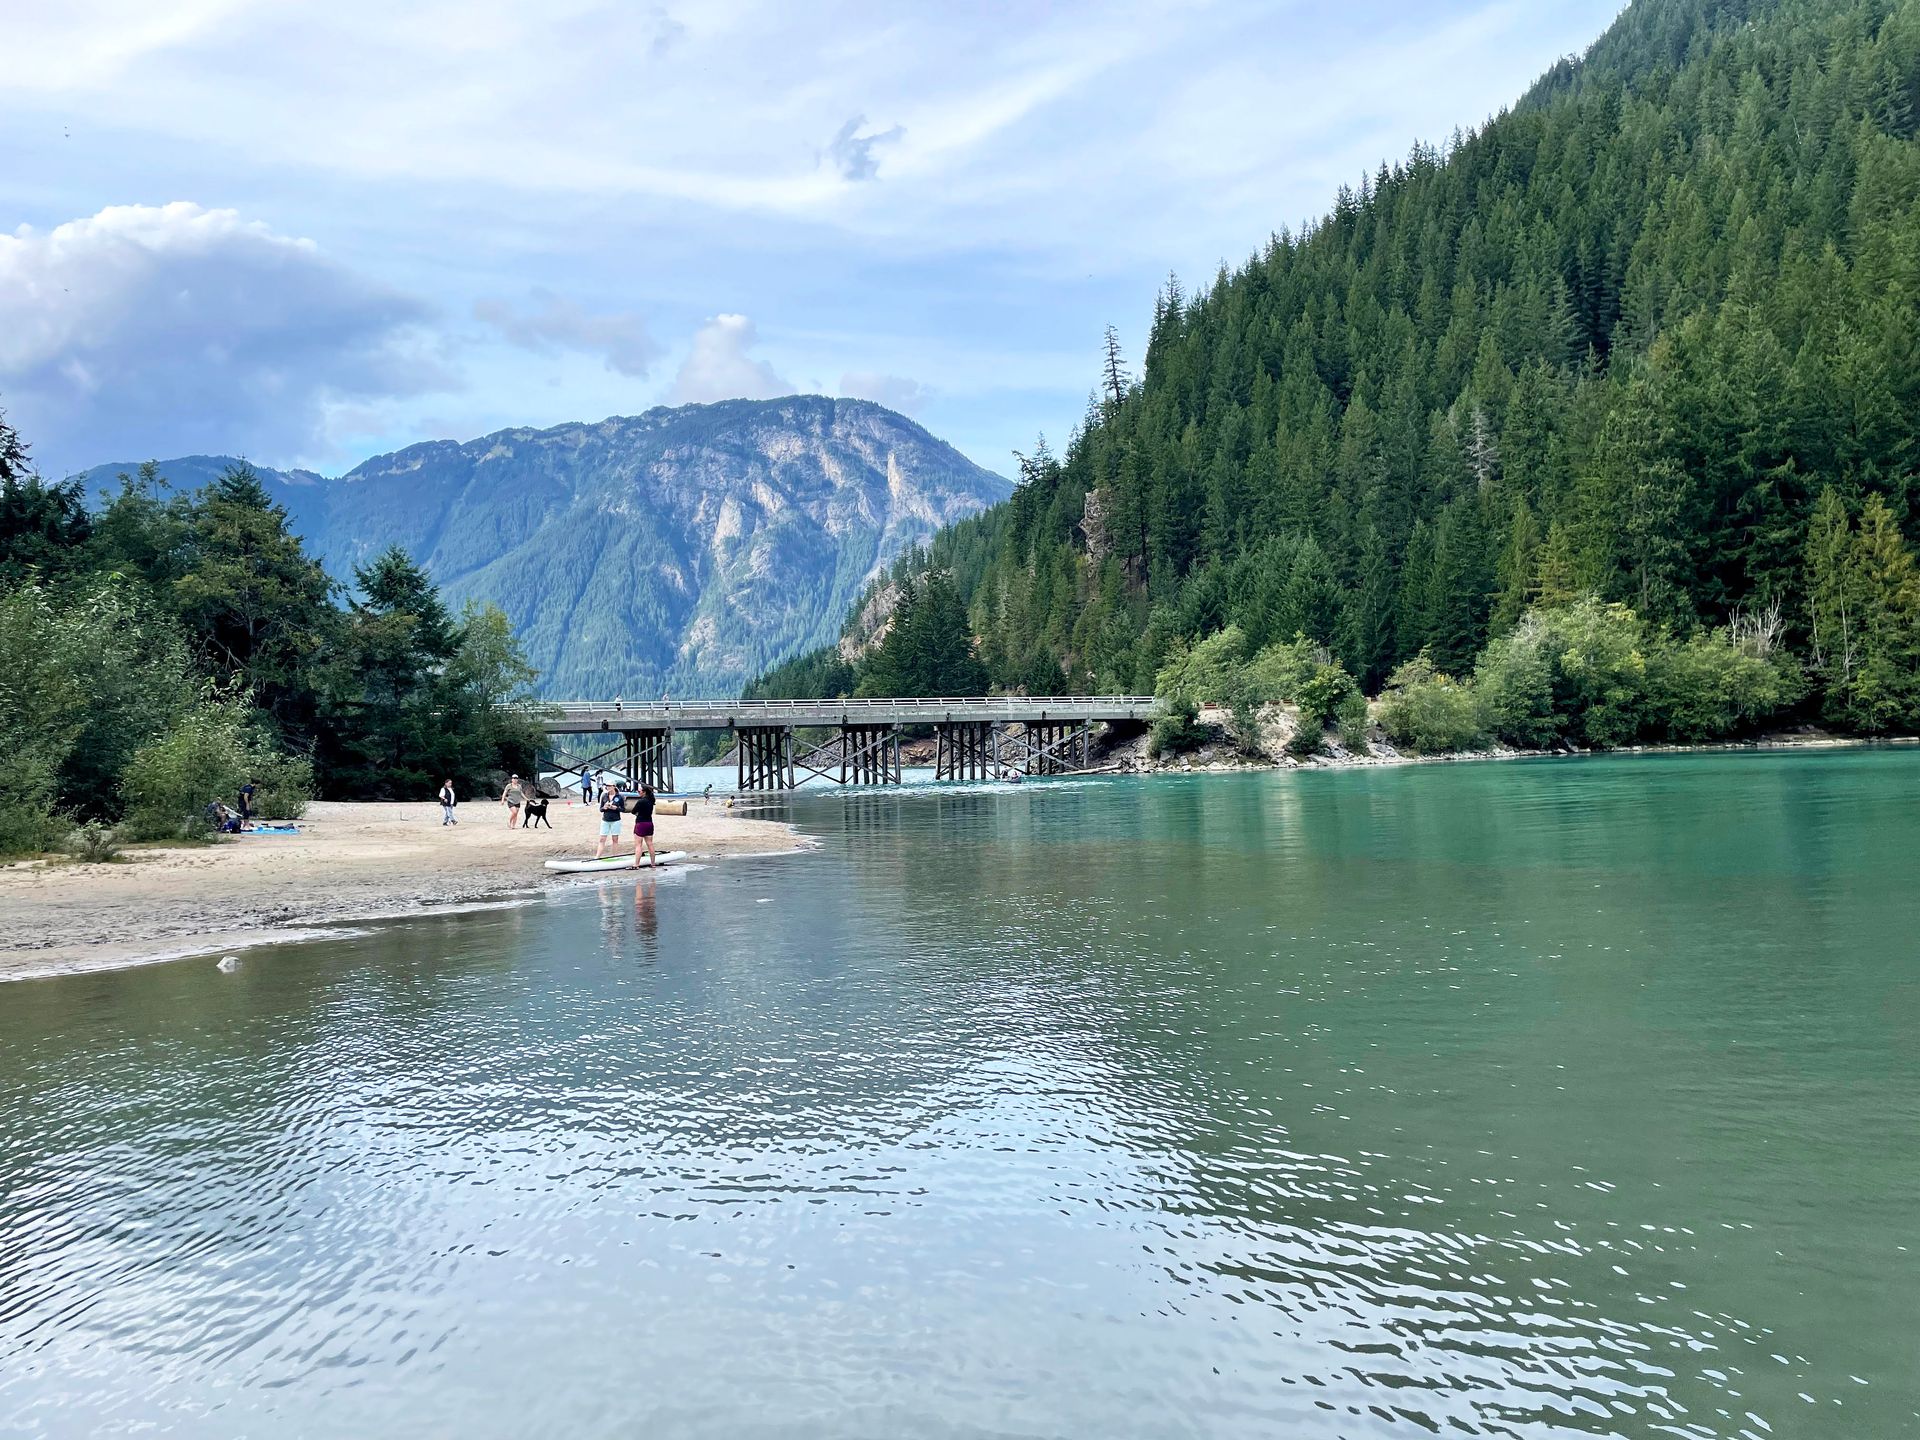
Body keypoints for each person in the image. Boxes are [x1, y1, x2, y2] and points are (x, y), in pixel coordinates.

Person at [594, 779, 626, 859]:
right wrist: (604, 807)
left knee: (615, 839)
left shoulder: (619, 796)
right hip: (605, 819)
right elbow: (600, 809)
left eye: (609, 786)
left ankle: (615, 856)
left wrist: (616, 808)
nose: (607, 787)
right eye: (606, 786)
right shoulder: (604, 795)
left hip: (616, 820)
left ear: (614, 787)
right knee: (602, 839)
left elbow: (623, 809)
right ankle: (597, 857)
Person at [630, 781, 658, 866]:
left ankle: (636, 864)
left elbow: (633, 811)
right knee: (650, 844)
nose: (638, 793)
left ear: (644, 792)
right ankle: (653, 863)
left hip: (641, 823)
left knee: (638, 845)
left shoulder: (641, 801)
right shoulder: (651, 801)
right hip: (649, 823)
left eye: (639, 791)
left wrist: (638, 814)